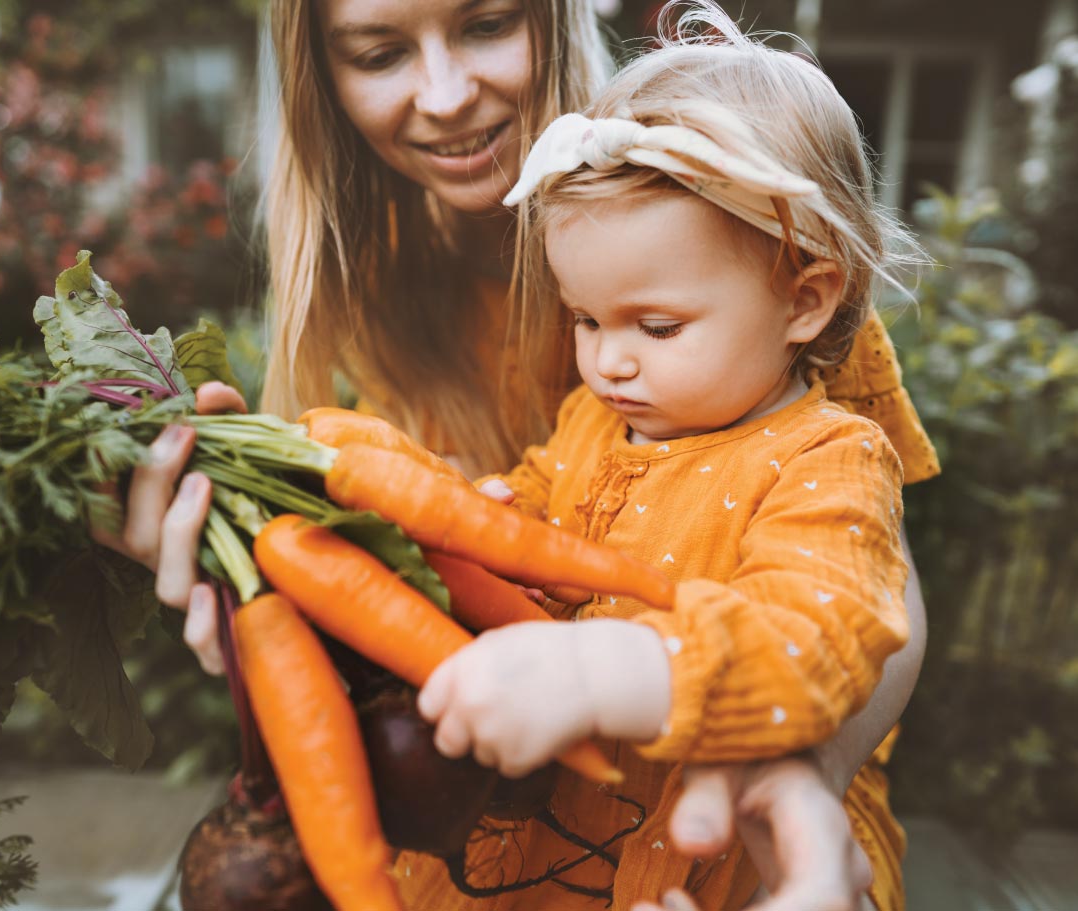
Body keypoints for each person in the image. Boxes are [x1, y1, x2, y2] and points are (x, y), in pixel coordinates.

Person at [96, 1, 938, 908]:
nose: (448, 94)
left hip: (724, 861)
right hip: (511, 847)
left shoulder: (741, 213)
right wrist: (292, 565)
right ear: (325, 81)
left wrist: (650, 693)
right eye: (381, 52)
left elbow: (854, 605)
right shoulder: (571, 400)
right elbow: (491, 536)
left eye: (487, 23)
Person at [399, 6, 918, 905]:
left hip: (692, 863)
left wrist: (609, 669)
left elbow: (821, 638)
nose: (609, 358)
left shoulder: (830, 459)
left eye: (659, 325)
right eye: (586, 319)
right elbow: (527, 500)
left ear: (805, 299)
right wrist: (472, 520)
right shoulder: (594, 419)